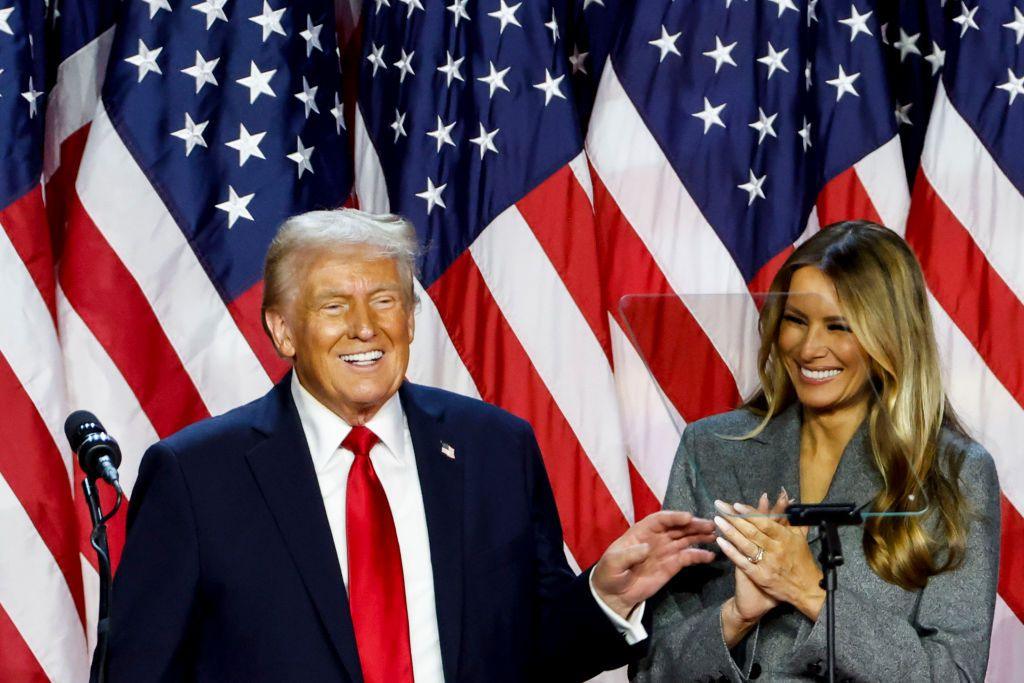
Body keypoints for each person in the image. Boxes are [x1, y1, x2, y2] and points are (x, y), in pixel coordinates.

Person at [104, 208, 718, 683]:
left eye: (385, 300)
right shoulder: (197, 476)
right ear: (283, 329)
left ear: (411, 317)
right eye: (334, 305)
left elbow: (530, 653)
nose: (365, 327)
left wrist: (601, 598)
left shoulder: (494, 449)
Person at [631, 221, 1001, 682]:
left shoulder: (955, 470)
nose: (810, 348)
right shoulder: (711, 448)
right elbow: (651, 670)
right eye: (796, 321)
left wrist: (810, 591)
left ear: (891, 336)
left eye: (839, 327)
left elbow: (954, 675)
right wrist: (736, 617)